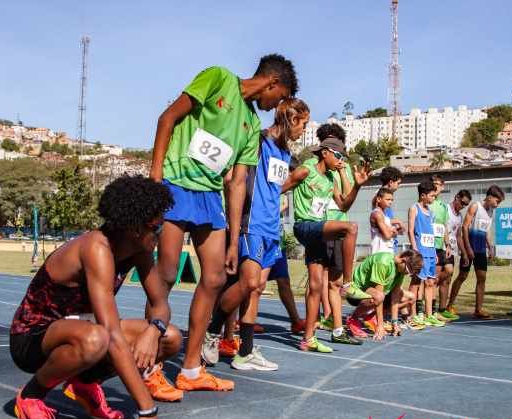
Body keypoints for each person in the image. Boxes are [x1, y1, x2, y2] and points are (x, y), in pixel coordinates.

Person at [149, 54, 297, 390]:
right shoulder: (218, 78)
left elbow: (238, 182)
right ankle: (151, 369)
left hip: (210, 197)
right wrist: (155, 180)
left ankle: (190, 370)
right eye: (282, 96)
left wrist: (233, 241)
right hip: (175, 184)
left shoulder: (251, 124)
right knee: (167, 275)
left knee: (215, 278)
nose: (278, 104)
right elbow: (167, 118)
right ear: (272, 83)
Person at [10, 175, 182, 419]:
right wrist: (147, 411)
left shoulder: (140, 250)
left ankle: (84, 383)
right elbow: (111, 334)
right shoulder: (96, 248)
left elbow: (160, 305)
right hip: (33, 337)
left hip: (86, 327)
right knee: (98, 338)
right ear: (135, 227)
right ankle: (31, 396)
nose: (162, 234)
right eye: (157, 227)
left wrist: (154, 330)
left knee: (170, 337)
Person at [204, 98, 310, 371]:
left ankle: (245, 352)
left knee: (258, 288)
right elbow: (234, 178)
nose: (304, 131)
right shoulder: (259, 141)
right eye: (303, 124)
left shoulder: (284, 153)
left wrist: (293, 181)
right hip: (251, 223)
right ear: (292, 119)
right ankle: (212, 331)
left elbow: (274, 187)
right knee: (248, 283)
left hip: (272, 227)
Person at [282, 137, 370, 352]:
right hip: (304, 226)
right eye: (338, 156)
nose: (341, 161)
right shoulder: (305, 170)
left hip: (318, 233)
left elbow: (343, 205)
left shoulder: (331, 178)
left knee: (315, 286)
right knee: (351, 228)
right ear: (325, 153)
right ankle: (348, 284)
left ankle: (308, 339)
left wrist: (357, 186)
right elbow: (278, 189)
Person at [314, 123, 363, 345]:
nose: (335, 149)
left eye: (338, 146)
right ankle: (317, 321)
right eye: (329, 143)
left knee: (334, 281)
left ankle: (334, 326)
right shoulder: (312, 167)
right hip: (319, 227)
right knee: (317, 280)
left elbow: (346, 199)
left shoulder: (343, 169)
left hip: (339, 228)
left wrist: (343, 172)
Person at [447, 185, 504, 319]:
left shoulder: (491, 212)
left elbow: (486, 231)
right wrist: (468, 249)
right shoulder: (475, 206)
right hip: (469, 247)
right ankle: (449, 305)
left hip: (480, 250)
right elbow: (465, 227)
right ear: (489, 197)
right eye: (497, 201)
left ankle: (478, 310)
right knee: (462, 276)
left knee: (482, 278)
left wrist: (490, 247)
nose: (497, 205)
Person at [347, 250, 423, 340]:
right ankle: (353, 319)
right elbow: (379, 295)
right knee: (379, 297)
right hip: (356, 290)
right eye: (408, 270)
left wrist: (394, 322)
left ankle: (371, 317)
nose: (407, 274)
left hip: (375, 293)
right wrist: (380, 326)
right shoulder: (383, 263)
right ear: (403, 260)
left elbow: (395, 297)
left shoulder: (400, 270)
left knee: (410, 298)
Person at [407, 178, 444, 327]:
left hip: (430, 252)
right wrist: (415, 250)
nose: (433, 198)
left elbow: (431, 234)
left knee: (430, 282)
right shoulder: (414, 208)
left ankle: (429, 315)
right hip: (420, 252)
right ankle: (413, 314)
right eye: (432, 195)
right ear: (423, 195)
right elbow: (410, 230)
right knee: (416, 282)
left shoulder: (430, 212)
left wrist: (434, 252)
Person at [436, 189, 472, 321]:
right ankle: (430, 289)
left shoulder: (460, 216)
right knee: (447, 271)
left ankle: (442, 309)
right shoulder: (445, 209)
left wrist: (464, 253)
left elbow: (458, 236)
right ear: (456, 197)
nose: (463, 206)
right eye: (462, 203)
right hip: (441, 246)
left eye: (466, 205)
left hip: (452, 250)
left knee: (447, 279)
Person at [428, 175, 451, 320]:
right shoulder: (428, 203)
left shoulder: (443, 206)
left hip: (440, 246)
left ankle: (432, 309)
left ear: (443, 186)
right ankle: (430, 311)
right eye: (433, 184)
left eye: (438, 184)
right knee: (431, 279)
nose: (436, 186)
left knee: (446, 272)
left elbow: (444, 226)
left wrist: (447, 244)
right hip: (428, 245)